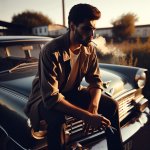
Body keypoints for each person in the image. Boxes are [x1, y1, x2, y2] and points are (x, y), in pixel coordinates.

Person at [24, 3, 124, 150]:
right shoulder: (51, 50)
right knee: (57, 119)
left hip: (71, 92)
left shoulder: (89, 48)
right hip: (44, 99)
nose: (92, 35)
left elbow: (96, 82)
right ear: (72, 26)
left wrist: (93, 107)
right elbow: (51, 98)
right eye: (86, 29)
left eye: (94, 29)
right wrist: (87, 116)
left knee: (112, 106)